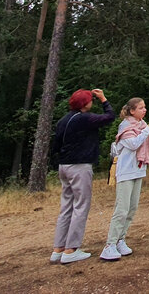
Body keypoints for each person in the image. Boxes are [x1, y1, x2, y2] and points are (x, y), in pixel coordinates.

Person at [50, 88, 115, 264]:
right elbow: (109, 117)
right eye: (90, 100)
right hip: (79, 166)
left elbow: (55, 145)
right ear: (85, 103)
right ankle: (71, 250)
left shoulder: (63, 120)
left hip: (64, 166)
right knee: (81, 206)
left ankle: (58, 249)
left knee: (66, 208)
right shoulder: (84, 119)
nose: (91, 102)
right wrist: (103, 99)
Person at [99, 97, 149, 261]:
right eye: (141, 108)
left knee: (132, 208)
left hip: (138, 171)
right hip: (126, 172)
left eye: (145, 107)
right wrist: (148, 129)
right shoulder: (126, 126)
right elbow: (133, 144)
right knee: (122, 209)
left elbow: (143, 147)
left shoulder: (141, 126)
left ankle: (120, 240)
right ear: (132, 111)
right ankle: (109, 245)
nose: (144, 110)